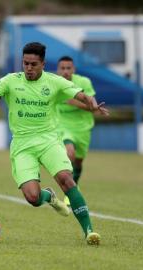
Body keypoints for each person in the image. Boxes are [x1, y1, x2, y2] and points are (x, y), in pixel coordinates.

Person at [0, 42, 108, 245]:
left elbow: (81, 95)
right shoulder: (11, 81)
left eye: (33, 64)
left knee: (66, 178)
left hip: (49, 141)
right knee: (32, 198)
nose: (28, 68)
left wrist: (90, 102)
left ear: (43, 64)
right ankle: (50, 198)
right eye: (25, 63)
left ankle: (89, 231)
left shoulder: (55, 82)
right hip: (22, 145)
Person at [56, 56, 109, 206]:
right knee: (69, 153)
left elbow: (93, 107)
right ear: (58, 69)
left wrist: (75, 103)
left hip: (82, 127)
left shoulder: (84, 82)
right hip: (62, 125)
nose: (65, 71)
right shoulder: (54, 83)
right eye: (62, 68)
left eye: (68, 68)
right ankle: (69, 192)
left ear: (74, 69)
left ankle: (73, 187)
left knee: (78, 161)